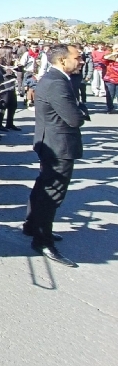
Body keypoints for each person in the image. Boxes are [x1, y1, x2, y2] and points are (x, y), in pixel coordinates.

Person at [23, 44, 88, 267]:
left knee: (43, 187)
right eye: (77, 58)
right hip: (58, 144)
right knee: (52, 193)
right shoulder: (56, 82)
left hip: (52, 141)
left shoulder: (57, 78)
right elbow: (73, 118)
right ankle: (43, 240)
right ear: (62, 60)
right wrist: (80, 111)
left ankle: (32, 226)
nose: (80, 61)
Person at [103, 44, 118, 113]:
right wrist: (114, 54)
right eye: (116, 48)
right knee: (110, 95)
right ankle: (110, 107)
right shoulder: (109, 59)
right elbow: (104, 58)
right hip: (110, 79)